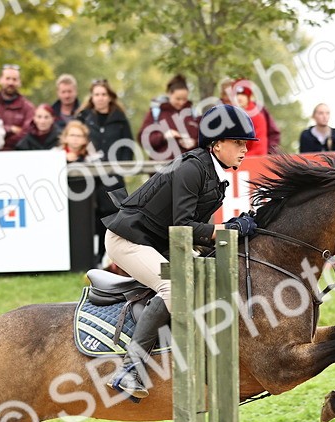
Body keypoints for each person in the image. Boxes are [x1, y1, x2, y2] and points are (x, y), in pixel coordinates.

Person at [101, 104, 258, 398]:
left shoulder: (215, 176)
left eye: (245, 144)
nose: (244, 150)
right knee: (173, 288)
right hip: (128, 239)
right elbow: (182, 227)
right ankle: (128, 370)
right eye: (238, 143)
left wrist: (231, 228)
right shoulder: (191, 168)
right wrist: (229, 229)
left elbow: (196, 232)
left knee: (208, 274)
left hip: (158, 241)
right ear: (217, 143)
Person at [78, 79, 136, 266]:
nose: (100, 98)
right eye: (97, 94)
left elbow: (128, 146)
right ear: (92, 97)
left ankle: (113, 258)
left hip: (113, 178)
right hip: (89, 177)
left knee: (113, 216)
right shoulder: (83, 118)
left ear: (110, 97)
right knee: (91, 215)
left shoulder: (120, 120)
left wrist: (121, 165)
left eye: (104, 94)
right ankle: (93, 258)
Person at [61, 121, 97, 271]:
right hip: (62, 203)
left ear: (84, 139)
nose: (75, 139)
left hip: (85, 205)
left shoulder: (92, 156)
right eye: (72, 135)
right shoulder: (55, 153)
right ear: (65, 138)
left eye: (79, 136)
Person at [141, 74, 199, 162]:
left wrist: (194, 142)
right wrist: (163, 136)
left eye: (184, 99)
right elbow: (144, 139)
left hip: (189, 167)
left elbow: (206, 140)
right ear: (169, 94)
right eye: (178, 99)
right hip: (161, 169)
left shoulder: (193, 114)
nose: (181, 102)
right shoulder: (156, 113)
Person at [0, 64, 35, 151]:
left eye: (14, 79)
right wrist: (10, 129)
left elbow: (27, 132)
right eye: (7, 78)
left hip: (17, 154)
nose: (11, 83)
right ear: (0, 80)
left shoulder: (28, 107)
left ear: (19, 82)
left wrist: (1, 141)